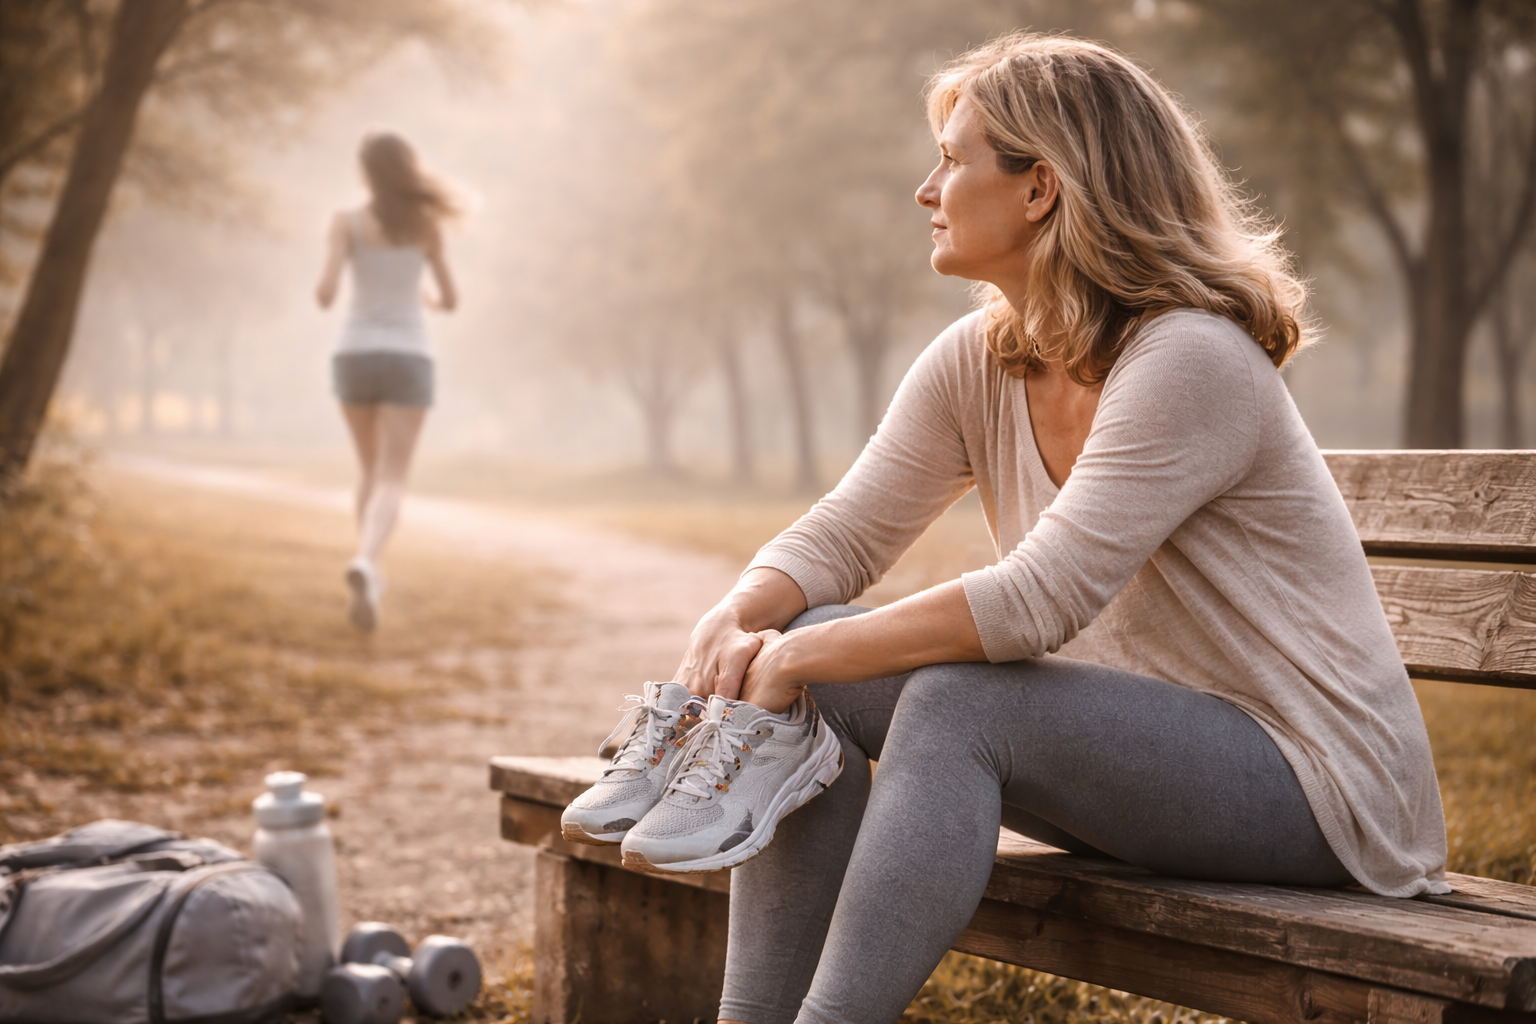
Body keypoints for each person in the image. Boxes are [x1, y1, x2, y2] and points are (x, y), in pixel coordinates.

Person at [563, 32, 1449, 1024]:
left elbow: (1038, 601)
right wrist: (734, 622)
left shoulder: (1191, 359)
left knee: (944, 700)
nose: (925, 188)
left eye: (953, 157)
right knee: (813, 629)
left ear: (1041, 190)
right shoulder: (983, 357)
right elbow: (847, 532)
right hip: (1136, 762)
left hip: (1318, 788)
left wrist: (797, 659)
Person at [314, 131, 458, 632]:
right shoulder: (427, 226)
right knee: (392, 477)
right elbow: (451, 299)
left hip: (354, 352)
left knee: (369, 471)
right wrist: (420, 293)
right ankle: (369, 564)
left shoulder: (344, 222)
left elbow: (324, 294)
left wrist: (347, 262)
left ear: (365, 173)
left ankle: (368, 568)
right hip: (408, 356)